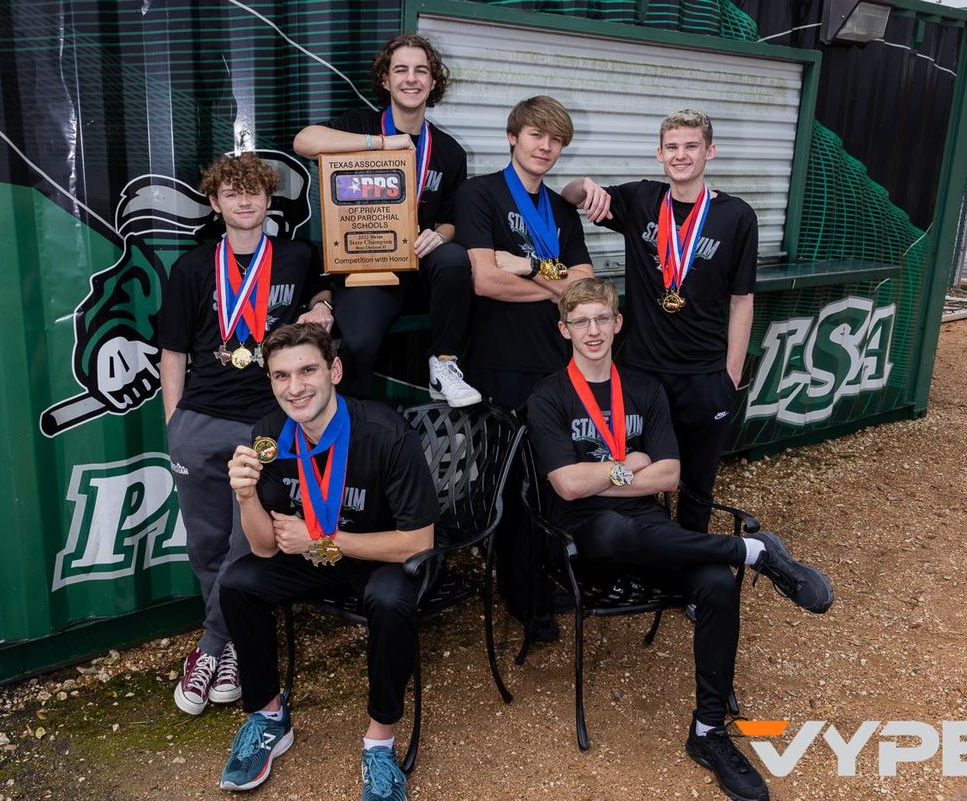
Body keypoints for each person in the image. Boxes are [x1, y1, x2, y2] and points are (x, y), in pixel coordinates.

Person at [525, 278, 833, 801]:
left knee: (715, 583)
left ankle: (708, 732)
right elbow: (567, 485)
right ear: (564, 329)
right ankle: (749, 551)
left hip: (654, 533)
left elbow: (668, 475)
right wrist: (627, 467)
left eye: (602, 319)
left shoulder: (644, 389)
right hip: (583, 542)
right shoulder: (549, 395)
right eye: (582, 321)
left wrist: (609, 473)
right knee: (616, 527)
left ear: (618, 323)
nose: (594, 330)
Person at [219, 323, 438, 801]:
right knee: (238, 583)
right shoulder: (269, 436)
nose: (294, 388)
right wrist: (245, 496)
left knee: (390, 598)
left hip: (377, 554)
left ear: (334, 370)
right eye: (280, 376)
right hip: (309, 554)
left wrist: (322, 536)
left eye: (307, 371)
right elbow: (262, 549)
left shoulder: (384, 433)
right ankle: (269, 717)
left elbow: (417, 542)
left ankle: (379, 743)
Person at [159, 153, 334, 716]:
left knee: (246, 541)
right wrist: (173, 424)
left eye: (255, 191)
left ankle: (210, 647)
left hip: (265, 425)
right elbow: (173, 351)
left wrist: (322, 305)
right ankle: (231, 639)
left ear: (269, 199)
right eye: (232, 193)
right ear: (215, 203)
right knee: (207, 543)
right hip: (200, 420)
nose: (245, 201)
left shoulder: (295, 256)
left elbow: (325, 293)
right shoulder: (190, 268)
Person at [561, 109, 757, 533]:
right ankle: (646, 560)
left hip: (704, 374)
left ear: (710, 152)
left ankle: (689, 573)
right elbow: (569, 195)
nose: (681, 155)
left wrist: (731, 375)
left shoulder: (737, 216)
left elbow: (743, 301)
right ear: (659, 153)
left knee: (696, 485)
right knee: (635, 472)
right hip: (640, 372)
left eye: (691, 146)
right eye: (672, 147)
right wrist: (587, 185)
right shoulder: (640, 200)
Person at [454, 95, 594, 640]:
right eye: (537, 134)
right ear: (513, 136)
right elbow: (485, 280)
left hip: (555, 363)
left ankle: (540, 574)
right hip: (498, 362)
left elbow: (581, 291)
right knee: (511, 484)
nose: (546, 147)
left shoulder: (561, 210)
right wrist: (553, 286)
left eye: (556, 140)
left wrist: (530, 265)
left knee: (552, 478)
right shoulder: (479, 193)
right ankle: (519, 593)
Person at [293, 33, 480, 407]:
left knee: (455, 257)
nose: (411, 78)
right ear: (386, 80)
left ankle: (443, 364)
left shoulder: (449, 150)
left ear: (432, 82)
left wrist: (439, 237)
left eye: (421, 71)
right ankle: (354, 424)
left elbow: (451, 220)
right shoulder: (360, 123)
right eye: (401, 70)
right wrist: (380, 144)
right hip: (370, 264)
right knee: (358, 341)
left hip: (421, 265)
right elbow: (304, 141)